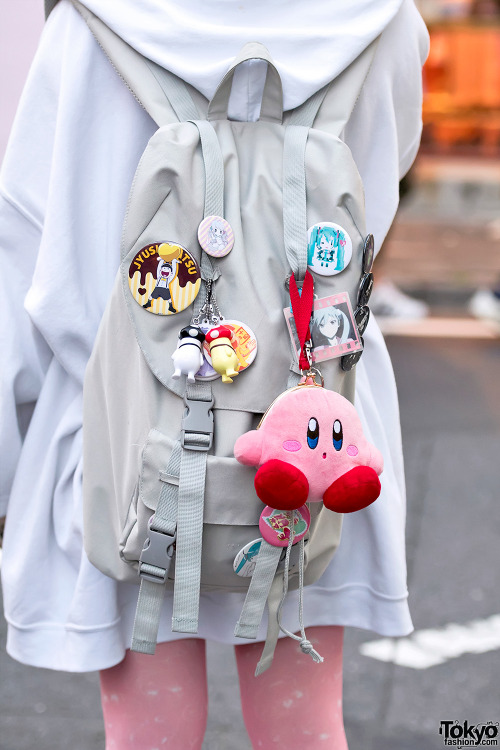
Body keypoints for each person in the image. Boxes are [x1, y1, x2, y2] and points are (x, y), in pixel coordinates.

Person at [0, 1, 429, 747]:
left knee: (146, 732)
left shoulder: (90, 24)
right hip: (316, 418)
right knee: (303, 727)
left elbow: (32, 243)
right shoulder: (381, 20)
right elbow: (374, 201)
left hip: (124, 431)